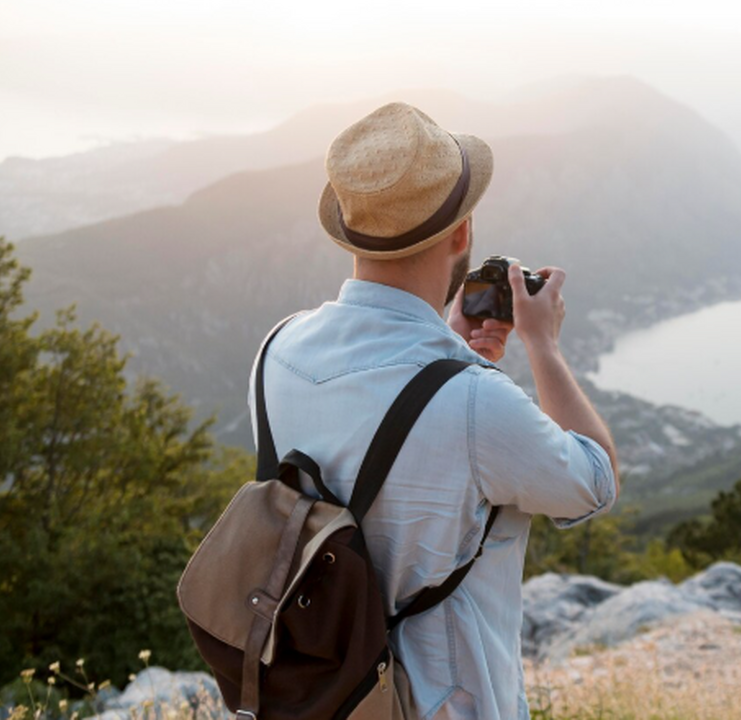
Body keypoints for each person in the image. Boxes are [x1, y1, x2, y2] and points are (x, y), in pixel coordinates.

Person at [247, 102, 620, 719]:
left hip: (310, 693)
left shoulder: (276, 349)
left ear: (349, 230)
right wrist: (543, 346)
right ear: (461, 234)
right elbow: (595, 482)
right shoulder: (472, 400)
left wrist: (446, 348)